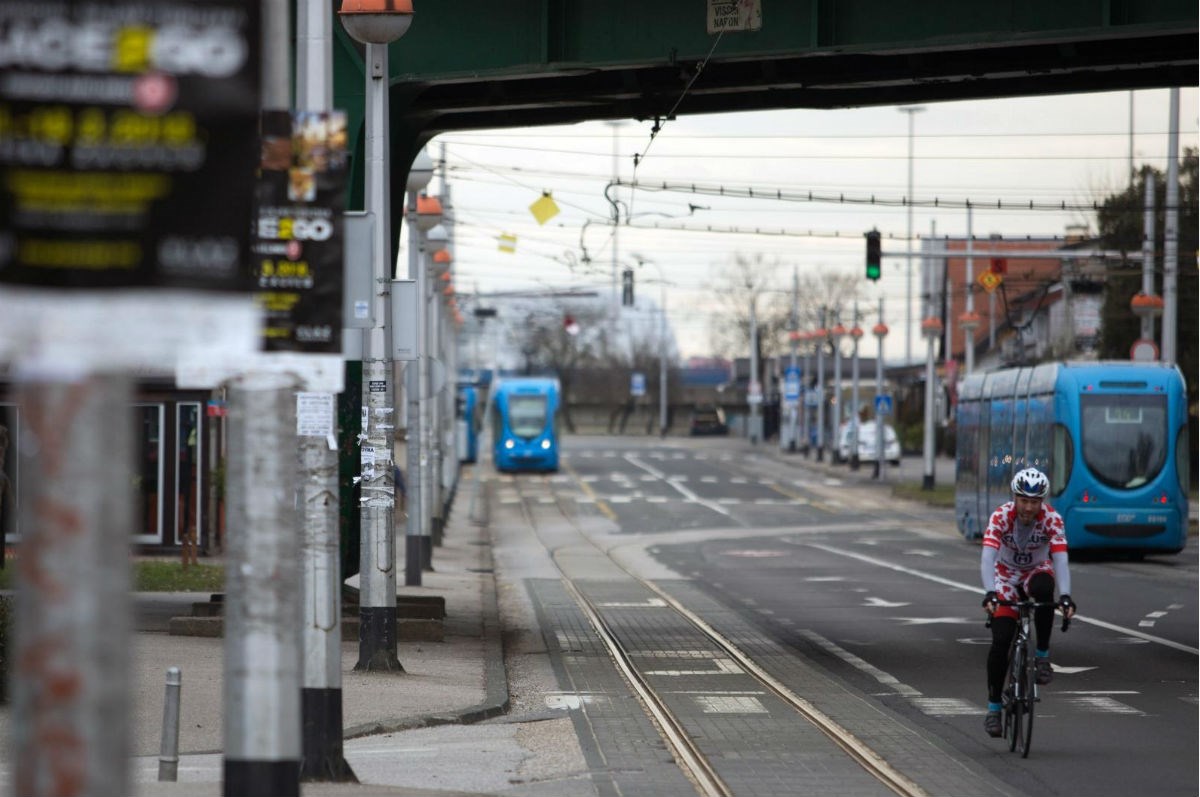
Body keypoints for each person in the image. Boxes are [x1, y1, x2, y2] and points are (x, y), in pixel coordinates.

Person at [980, 466, 1077, 738]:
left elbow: (1060, 559)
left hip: (1036, 570)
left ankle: (1043, 657)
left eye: (1034, 502)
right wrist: (990, 592)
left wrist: (1066, 595)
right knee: (1000, 642)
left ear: (1042, 501)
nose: (1028, 507)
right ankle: (993, 708)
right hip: (1005, 576)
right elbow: (988, 557)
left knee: (1045, 592)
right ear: (1015, 498)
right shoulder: (1001, 516)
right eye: (1024, 500)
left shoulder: (1052, 519)